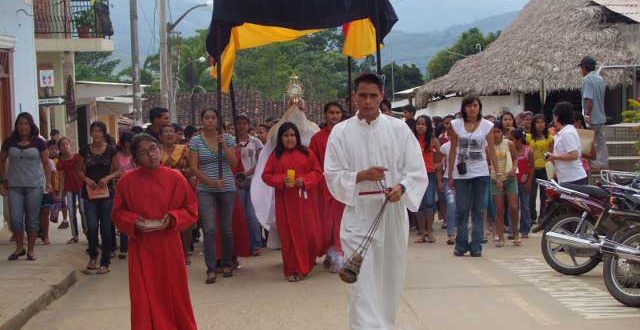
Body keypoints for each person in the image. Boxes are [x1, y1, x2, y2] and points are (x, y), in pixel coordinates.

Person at [324, 73, 428, 329]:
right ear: (353, 97)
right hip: (358, 215)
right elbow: (332, 173)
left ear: (382, 96)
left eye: (373, 95)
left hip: (391, 215)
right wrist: (361, 176)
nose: (368, 101)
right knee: (361, 283)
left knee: (388, 280)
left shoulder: (399, 129)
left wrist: (402, 187)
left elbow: (416, 170)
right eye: (363, 96)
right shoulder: (341, 132)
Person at [113, 133, 198, 330]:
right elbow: (117, 214)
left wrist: (173, 218)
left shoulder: (175, 177)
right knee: (143, 296)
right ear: (135, 159)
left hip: (169, 246)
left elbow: (191, 209)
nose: (150, 155)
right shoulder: (126, 181)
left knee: (175, 294)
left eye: (152, 148)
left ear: (159, 148)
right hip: (142, 247)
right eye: (143, 153)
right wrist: (134, 221)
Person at [263, 122, 323, 282]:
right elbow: (266, 176)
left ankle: (307, 263)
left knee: (311, 235)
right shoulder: (275, 156)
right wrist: (282, 179)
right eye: (286, 135)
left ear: (297, 136)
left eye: (292, 135)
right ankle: (293, 269)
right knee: (289, 237)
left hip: (305, 202)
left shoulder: (308, 153)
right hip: (285, 204)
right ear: (280, 138)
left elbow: (317, 172)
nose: (289, 138)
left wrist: (305, 180)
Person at [188, 108, 238, 284]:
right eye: (206, 117)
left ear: (218, 120)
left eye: (213, 118)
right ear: (202, 120)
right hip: (206, 188)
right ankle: (211, 268)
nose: (210, 120)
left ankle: (226, 262)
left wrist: (223, 144)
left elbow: (234, 162)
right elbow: (194, 167)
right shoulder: (195, 141)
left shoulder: (229, 138)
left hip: (227, 187)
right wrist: (211, 182)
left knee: (226, 228)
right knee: (209, 229)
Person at [448, 95, 498, 257]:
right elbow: (453, 149)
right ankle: (461, 244)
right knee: (461, 209)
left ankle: (476, 245)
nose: (472, 109)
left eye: (475, 105)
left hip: (481, 172)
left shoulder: (487, 125)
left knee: (478, 210)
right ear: (464, 108)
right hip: (461, 173)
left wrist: (497, 172)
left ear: (479, 107)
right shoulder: (455, 125)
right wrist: (450, 174)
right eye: (469, 106)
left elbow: (491, 149)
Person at [0, 113, 51, 261]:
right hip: (14, 186)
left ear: (31, 125)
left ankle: (31, 250)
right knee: (15, 218)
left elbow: (46, 163)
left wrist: (48, 182)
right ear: (16, 126)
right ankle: (19, 248)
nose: (22, 127)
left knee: (32, 219)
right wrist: (2, 180)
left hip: (34, 185)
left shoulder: (39, 142)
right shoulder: (9, 142)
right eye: (20, 124)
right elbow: (2, 160)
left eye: (26, 124)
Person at [78, 121, 122, 274]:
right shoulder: (84, 150)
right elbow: (79, 171)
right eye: (94, 131)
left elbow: (119, 170)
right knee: (91, 226)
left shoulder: (111, 151)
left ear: (104, 133)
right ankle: (92, 257)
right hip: (89, 193)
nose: (96, 134)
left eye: (99, 131)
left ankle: (105, 261)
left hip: (106, 193)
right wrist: (87, 180)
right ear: (90, 133)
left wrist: (107, 178)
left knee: (105, 227)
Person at [309, 101, 345, 272]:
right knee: (326, 223)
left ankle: (339, 254)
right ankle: (329, 253)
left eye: (338, 113)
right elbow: (313, 163)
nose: (334, 116)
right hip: (323, 186)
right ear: (325, 114)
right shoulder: (317, 138)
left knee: (340, 222)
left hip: (343, 184)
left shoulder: (348, 135)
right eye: (331, 112)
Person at [234, 114, 265, 256]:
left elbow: (261, 161)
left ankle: (256, 244)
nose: (241, 126)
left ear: (248, 125)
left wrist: (246, 174)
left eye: (244, 123)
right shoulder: (231, 142)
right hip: (236, 182)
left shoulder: (256, 142)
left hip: (252, 181)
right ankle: (242, 244)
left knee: (252, 215)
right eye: (239, 123)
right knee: (240, 215)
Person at [490, 123, 520, 247]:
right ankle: (500, 236)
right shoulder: (489, 147)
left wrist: (514, 168)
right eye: (493, 132)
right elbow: (487, 162)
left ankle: (515, 233)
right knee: (499, 208)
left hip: (510, 178)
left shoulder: (509, 144)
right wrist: (496, 177)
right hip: (495, 180)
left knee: (513, 207)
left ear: (502, 132)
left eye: (498, 132)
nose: (496, 135)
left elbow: (516, 158)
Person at [414, 115, 440, 244]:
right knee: (418, 204)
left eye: (423, 124)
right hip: (416, 175)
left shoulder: (433, 141)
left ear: (428, 126)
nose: (420, 126)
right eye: (418, 124)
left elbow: (439, 159)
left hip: (429, 174)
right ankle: (421, 233)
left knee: (429, 203)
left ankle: (429, 231)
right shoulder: (411, 140)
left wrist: (437, 170)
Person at [548, 102, 588, 185]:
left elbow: (574, 155)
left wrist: (554, 157)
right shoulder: (564, 131)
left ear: (557, 117)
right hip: (567, 178)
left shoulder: (567, 133)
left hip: (573, 179)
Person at [579, 55, 608, 170]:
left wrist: (586, 114)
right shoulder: (600, 79)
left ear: (585, 67)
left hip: (592, 116)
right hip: (601, 115)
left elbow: (588, 98)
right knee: (601, 141)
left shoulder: (587, 80)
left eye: (581, 68)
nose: (581, 70)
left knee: (588, 141)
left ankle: (591, 164)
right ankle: (603, 163)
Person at [57, 137, 85, 244]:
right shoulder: (60, 162)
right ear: (59, 148)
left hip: (81, 186)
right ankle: (75, 235)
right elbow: (62, 178)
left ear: (70, 145)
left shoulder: (78, 157)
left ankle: (87, 231)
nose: (65, 146)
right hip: (69, 188)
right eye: (62, 145)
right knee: (72, 211)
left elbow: (84, 170)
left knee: (83, 210)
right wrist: (60, 193)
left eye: (66, 144)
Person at [526, 114, 554, 223]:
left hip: (546, 168)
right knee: (531, 194)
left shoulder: (550, 138)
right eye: (538, 122)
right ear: (534, 124)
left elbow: (552, 154)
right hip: (532, 168)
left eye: (542, 122)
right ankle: (531, 216)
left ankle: (543, 215)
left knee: (544, 194)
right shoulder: (528, 137)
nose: (540, 124)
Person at [115, 132, 135, 259]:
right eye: (127, 141)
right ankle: (123, 246)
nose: (128, 144)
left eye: (131, 141)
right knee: (123, 215)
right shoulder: (118, 155)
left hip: (134, 188)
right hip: (120, 188)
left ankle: (133, 242)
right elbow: (115, 170)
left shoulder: (136, 156)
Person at [512, 128, 534, 238]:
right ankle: (513, 228)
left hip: (524, 181)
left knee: (525, 206)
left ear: (519, 140)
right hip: (512, 182)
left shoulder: (528, 151)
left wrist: (530, 181)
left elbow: (532, 167)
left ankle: (525, 228)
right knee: (513, 206)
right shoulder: (510, 151)